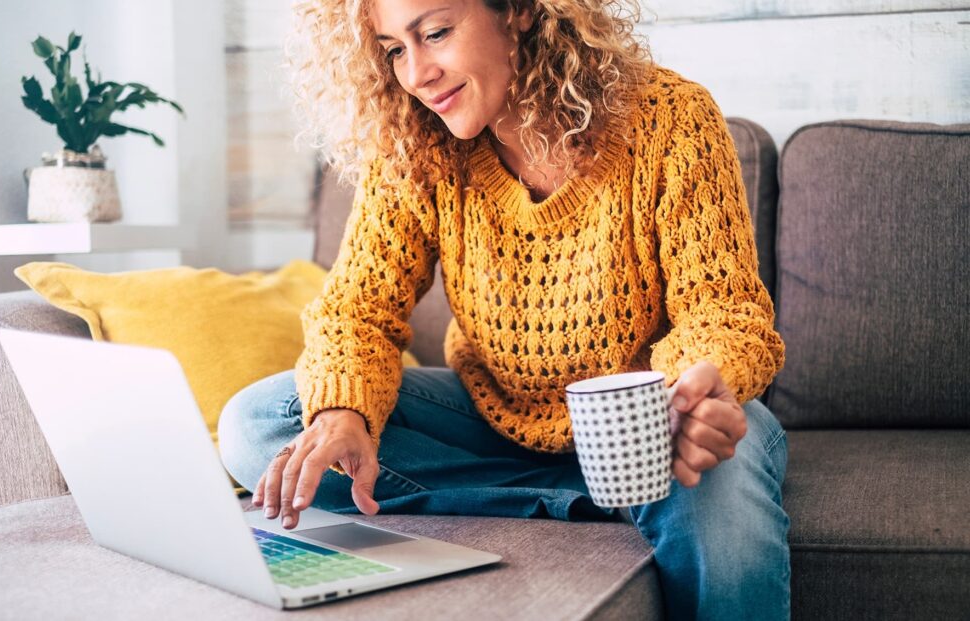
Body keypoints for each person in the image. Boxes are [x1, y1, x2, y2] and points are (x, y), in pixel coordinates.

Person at [218, 0, 790, 618]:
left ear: (518, 10)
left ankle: (632, 487)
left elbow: (725, 315)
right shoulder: (415, 141)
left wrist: (691, 394)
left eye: (435, 33)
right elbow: (358, 311)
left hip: (649, 425)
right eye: (393, 49)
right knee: (258, 423)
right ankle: (602, 498)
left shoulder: (670, 120)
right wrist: (342, 412)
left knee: (720, 479)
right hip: (495, 419)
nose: (416, 74)